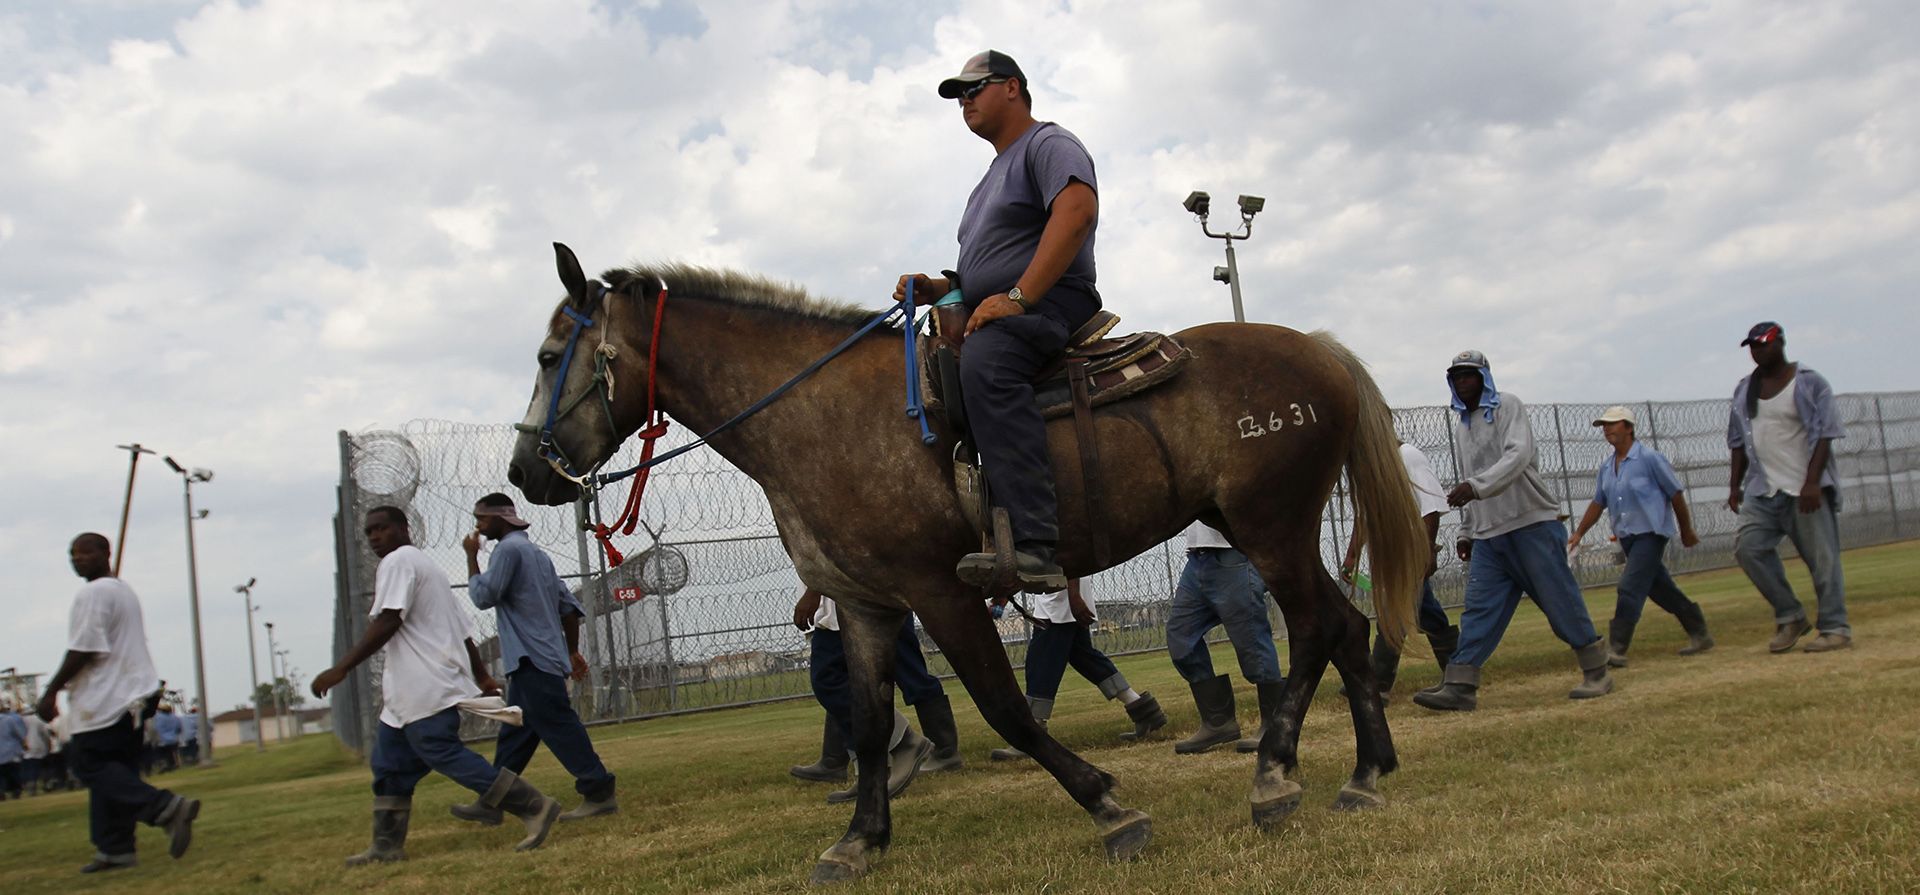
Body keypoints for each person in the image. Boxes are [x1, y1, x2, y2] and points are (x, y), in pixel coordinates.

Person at [894, 49, 1104, 593]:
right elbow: (980, 271)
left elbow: (1077, 211)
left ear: (1012, 87)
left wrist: (1018, 295)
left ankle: (1034, 541)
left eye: (974, 88)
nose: (964, 101)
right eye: (958, 95)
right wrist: (943, 289)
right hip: (1004, 304)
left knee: (986, 366)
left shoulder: (1048, 143)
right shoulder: (985, 181)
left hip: (1053, 300)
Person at [311, 506, 563, 866]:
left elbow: (388, 620)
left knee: (441, 751)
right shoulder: (429, 568)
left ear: (403, 528)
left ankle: (534, 806)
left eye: (382, 528)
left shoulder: (399, 562)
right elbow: (464, 632)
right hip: (405, 695)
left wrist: (342, 668)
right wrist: (481, 677)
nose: (374, 537)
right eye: (368, 532)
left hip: (424, 685)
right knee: (388, 765)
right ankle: (386, 846)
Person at [1413, 351, 1614, 711]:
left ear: (1485, 377)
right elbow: (1468, 483)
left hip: (1530, 524)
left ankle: (1596, 669)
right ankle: (1460, 686)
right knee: (1478, 610)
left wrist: (1474, 486)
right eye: (1456, 376)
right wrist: (1466, 532)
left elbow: (1518, 456)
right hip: (1489, 536)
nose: (1462, 381)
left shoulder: (1508, 406)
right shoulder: (1463, 425)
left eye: (1469, 375)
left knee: (1559, 600)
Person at [446, 493, 617, 826]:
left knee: (558, 724)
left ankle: (598, 791)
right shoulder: (537, 554)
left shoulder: (507, 551)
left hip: (530, 657)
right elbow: (567, 607)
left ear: (500, 518)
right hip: (542, 656)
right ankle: (492, 799)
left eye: (481, 519)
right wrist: (569, 650)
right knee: (517, 733)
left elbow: (483, 596)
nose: (478, 527)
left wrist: (471, 558)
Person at [35, 533, 200, 874]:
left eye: (86, 552)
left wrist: (50, 690)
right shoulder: (122, 591)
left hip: (106, 697)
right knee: (115, 772)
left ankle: (164, 807)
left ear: (105, 554)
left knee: (89, 764)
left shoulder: (93, 593)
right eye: (72, 553)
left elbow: (84, 648)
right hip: (135, 694)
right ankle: (116, 848)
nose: (77, 558)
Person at [1726, 322, 1851, 652]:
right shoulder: (1744, 389)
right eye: (1752, 346)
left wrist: (1812, 483)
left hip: (1805, 490)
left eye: (1764, 343)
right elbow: (1737, 441)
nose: (1758, 350)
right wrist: (1734, 486)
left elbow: (1825, 434)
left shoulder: (1809, 382)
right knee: (1748, 549)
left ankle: (1835, 627)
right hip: (1763, 490)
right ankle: (1790, 615)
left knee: (1822, 561)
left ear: (1780, 342)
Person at [1568, 405, 1713, 665]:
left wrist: (1686, 530)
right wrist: (1579, 532)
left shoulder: (1650, 458)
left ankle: (1617, 648)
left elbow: (1675, 494)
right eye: (1604, 426)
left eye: (1613, 424)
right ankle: (1699, 632)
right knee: (1661, 589)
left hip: (1651, 534)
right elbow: (1598, 503)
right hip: (1628, 539)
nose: (1607, 429)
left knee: (1629, 587)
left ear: (1629, 427)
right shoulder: (1607, 467)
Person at [787, 589, 960, 804]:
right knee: (843, 681)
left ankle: (914, 745)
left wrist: (814, 591)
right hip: (869, 594)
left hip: (854, 595)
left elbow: (836, 554)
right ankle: (853, 766)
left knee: (835, 679)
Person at [989, 578, 1166, 760]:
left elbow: (1067, 555)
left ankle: (1032, 735)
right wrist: (1002, 597)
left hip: (1062, 594)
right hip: (1059, 592)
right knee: (1083, 657)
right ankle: (1144, 712)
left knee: (1042, 662)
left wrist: (1074, 596)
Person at [1340, 440, 1460, 699]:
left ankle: (1378, 682)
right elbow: (1365, 515)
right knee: (1428, 613)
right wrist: (1351, 556)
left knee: (1396, 611)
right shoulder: (1369, 467)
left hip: (1411, 549)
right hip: (1388, 553)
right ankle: (1457, 668)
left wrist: (1426, 549)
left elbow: (1430, 508)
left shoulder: (1408, 456)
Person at [1163, 522, 1287, 754]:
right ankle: (1218, 723)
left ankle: (1275, 725)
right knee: (1180, 637)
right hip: (1197, 557)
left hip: (1233, 552)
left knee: (1252, 642)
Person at [0, 699, 26, 799]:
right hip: (11, 752)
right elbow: (20, 734)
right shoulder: (9, 720)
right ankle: (16, 791)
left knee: (1, 775)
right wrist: (24, 743)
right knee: (14, 773)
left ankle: (1, 791)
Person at [23, 709, 53, 796]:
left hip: (25, 747)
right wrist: (48, 745)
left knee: (29, 768)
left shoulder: (20, 720)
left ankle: (30, 786)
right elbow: (45, 733)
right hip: (39, 746)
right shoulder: (38, 720)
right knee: (40, 768)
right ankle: (44, 784)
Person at [150, 703, 181, 772]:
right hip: (173, 739)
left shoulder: (157, 717)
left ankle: (164, 766)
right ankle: (173, 765)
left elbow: (155, 728)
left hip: (162, 740)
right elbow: (179, 728)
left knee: (160, 754)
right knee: (171, 753)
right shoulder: (175, 717)